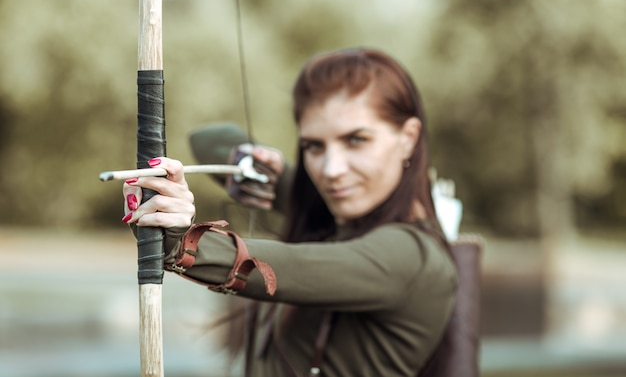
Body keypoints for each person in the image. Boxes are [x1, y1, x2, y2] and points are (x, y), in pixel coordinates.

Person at [122, 48, 458, 377]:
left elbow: (282, 265)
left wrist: (183, 240)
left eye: (356, 140)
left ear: (408, 137)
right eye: (314, 145)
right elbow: (209, 139)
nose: (331, 169)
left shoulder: (412, 255)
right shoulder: (329, 211)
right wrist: (263, 171)